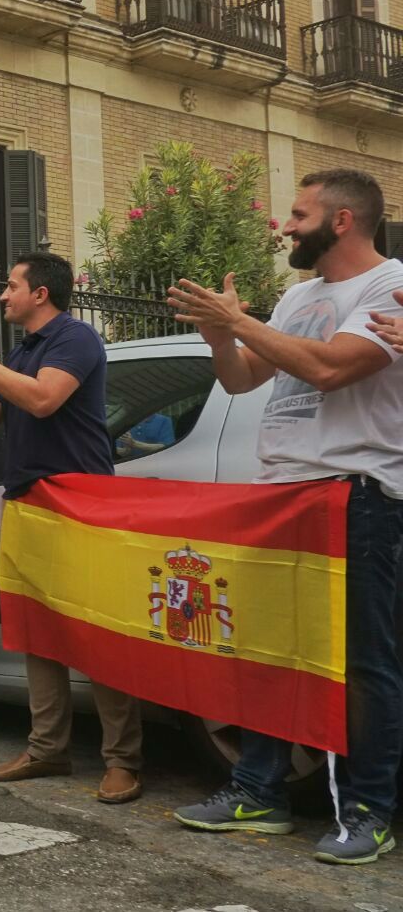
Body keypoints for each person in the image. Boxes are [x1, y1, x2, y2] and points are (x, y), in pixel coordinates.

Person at [169, 169, 403, 865]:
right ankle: (258, 792)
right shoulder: (298, 295)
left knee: (363, 664)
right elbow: (243, 378)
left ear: (341, 221)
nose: (286, 226)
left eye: (299, 214)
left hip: (355, 493)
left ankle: (369, 811)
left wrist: (237, 322)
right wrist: (220, 335)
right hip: (282, 492)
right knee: (269, 651)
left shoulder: (389, 285)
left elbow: (331, 369)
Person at [0, 252, 143, 806]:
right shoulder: (22, 351)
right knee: (36, 630)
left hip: (78, 500)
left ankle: (122, 761)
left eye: (11, 285)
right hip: (26, 500)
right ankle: (47, 748)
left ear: (41, 293)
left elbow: (45, 400)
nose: (3, 295)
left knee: (97, 633)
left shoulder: (76, 338)